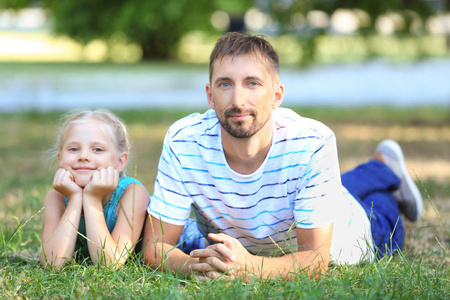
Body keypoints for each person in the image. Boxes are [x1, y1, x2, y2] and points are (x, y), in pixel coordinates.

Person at [143, 32, 423, 280]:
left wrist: (250, 267)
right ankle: (380, 165)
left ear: (276, 95)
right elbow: (155, 248)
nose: (238, 101)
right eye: (225, 84)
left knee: (378, 209)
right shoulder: (183, 142)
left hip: (353, 228)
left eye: (252, 83)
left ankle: (386, 174)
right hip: (304, 204)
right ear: (210, 95)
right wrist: (193, 267)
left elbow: (315, 260)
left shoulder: (312, 142)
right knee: (333, 187)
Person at [39, 109, 150, 268]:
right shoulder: (56, 198)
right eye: (73, 149)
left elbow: (110, 264)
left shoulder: (132, 194)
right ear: (60, 158)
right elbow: (52, 263)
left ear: (120, 161)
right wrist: (75, 199)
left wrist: (92, 199)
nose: (83, 156)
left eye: (97, 149)